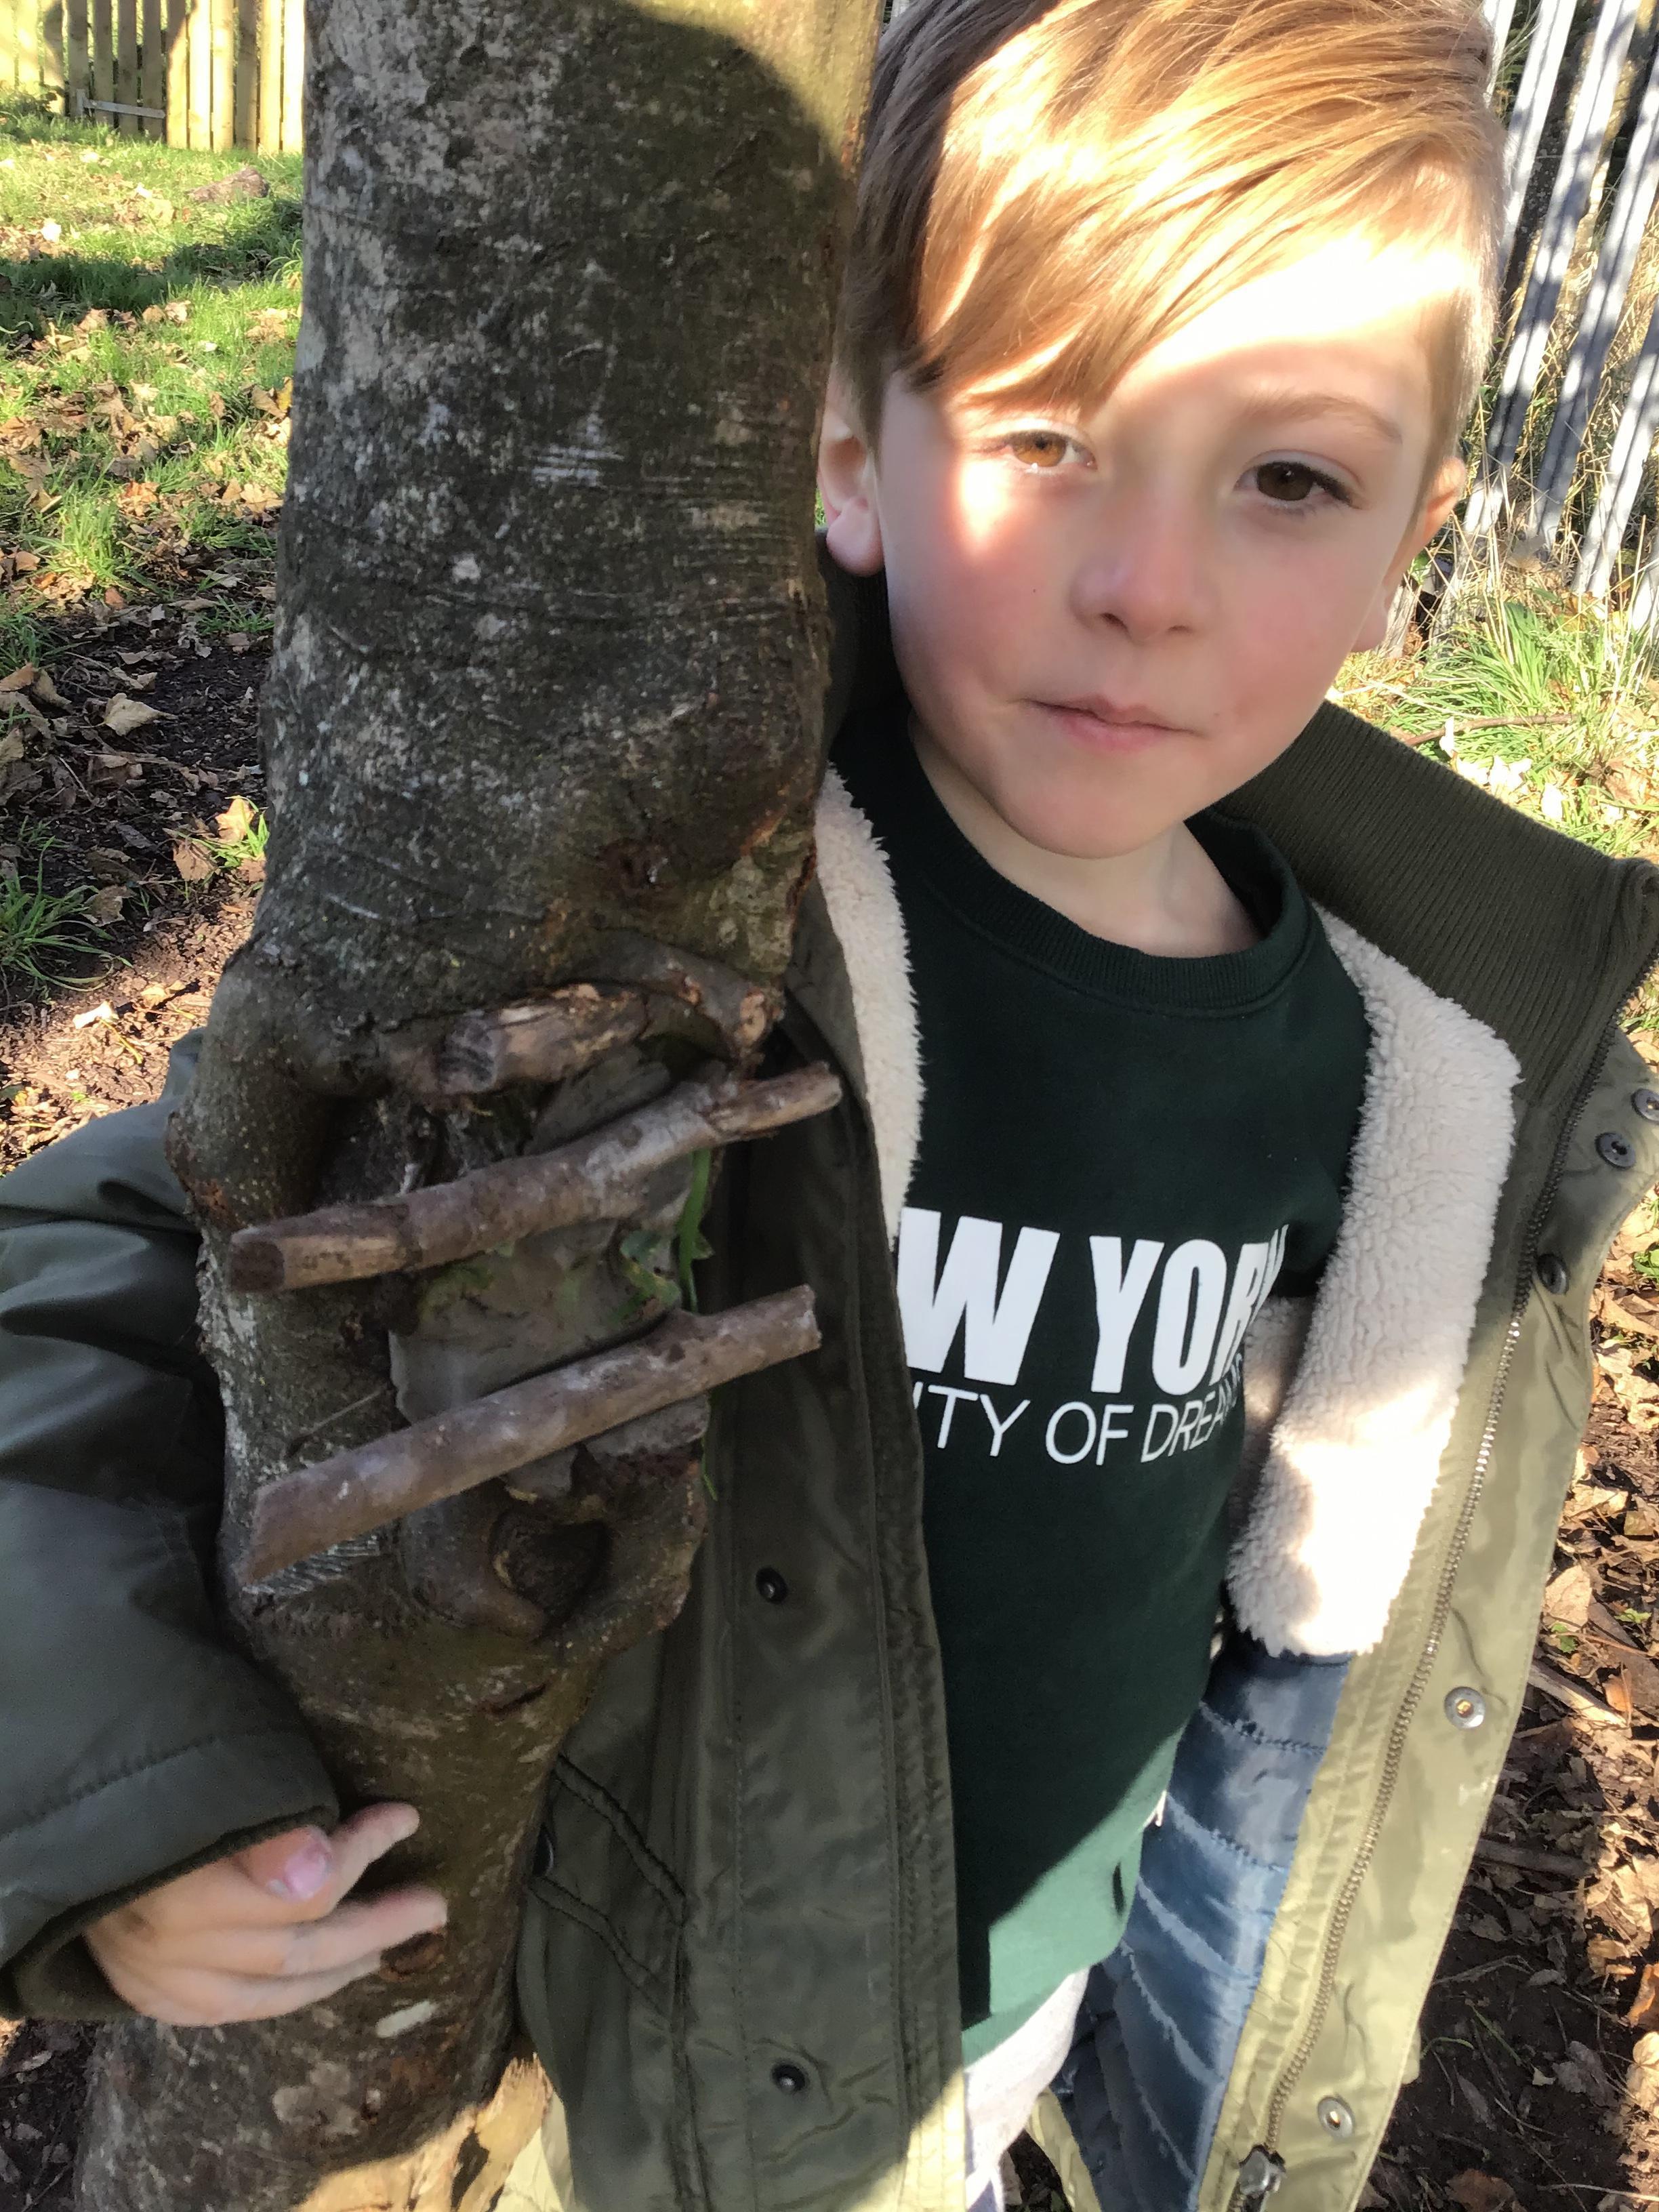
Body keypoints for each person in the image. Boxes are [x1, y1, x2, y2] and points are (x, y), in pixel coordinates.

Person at [2, 1, 1656, 2208]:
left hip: (1020, 2016)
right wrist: (124, 1797)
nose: (1147, 588)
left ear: (1410, 540)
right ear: (853, 453)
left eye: (1291, 481)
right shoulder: (686, 930)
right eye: (1050, 435)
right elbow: (115, 1256)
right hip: (642, 2066)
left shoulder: (1409, 1054)